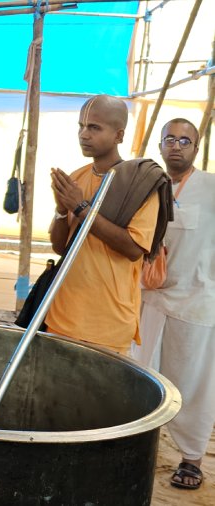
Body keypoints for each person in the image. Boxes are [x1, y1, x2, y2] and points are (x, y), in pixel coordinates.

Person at [45, 95, 171, 354]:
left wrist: (81, 209)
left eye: (94, 127)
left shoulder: (140, 183)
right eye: (81, 126)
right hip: (62, 314)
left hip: (108, 321)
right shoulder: (76, 178)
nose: (83, 134)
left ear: (119, 135)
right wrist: (61, 209)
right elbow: (60, 247)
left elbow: (134, 248)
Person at [133, 118, 214, 490]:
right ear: (161, 145)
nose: (176, 146)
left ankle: (192, 459)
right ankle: (135, 446)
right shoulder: (148, 185)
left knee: (193, 383)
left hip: (196, 305)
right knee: (137, 373)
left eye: (186, 140)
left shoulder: (211, 189)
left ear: (197, 149)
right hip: (147, 299)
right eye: (170, 139)